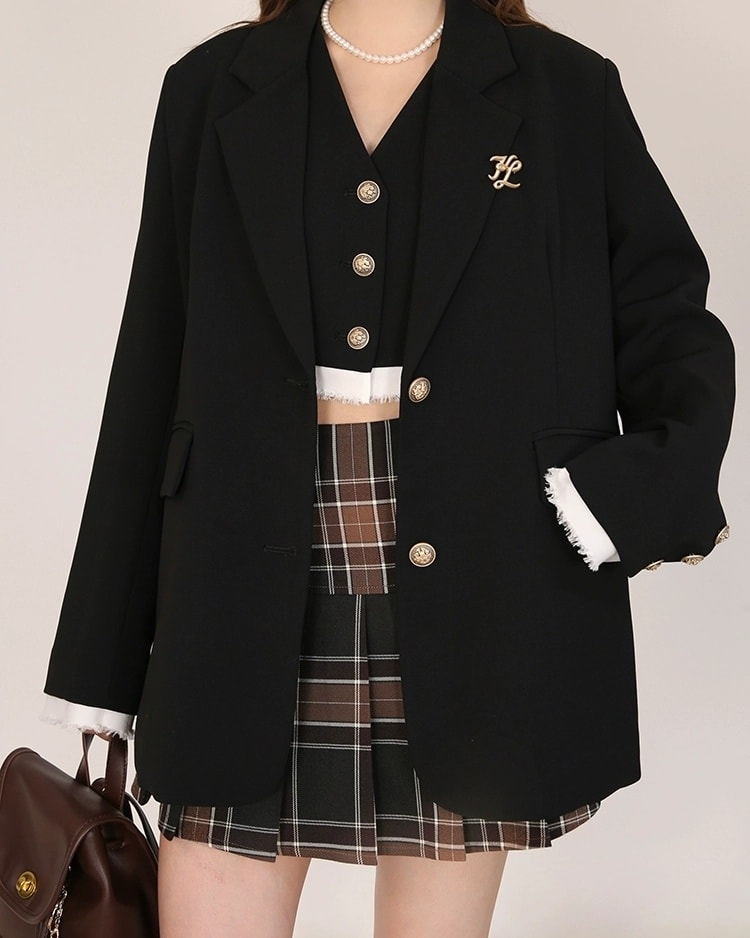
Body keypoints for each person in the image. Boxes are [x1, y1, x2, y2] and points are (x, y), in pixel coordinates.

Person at [39, 1, 735, 936]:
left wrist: (623, 500)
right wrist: (102, 663)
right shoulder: (210, 89)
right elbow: (151, 364)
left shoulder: (566, 90)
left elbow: (670, 323)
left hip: (483, 583)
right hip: (235, 587)